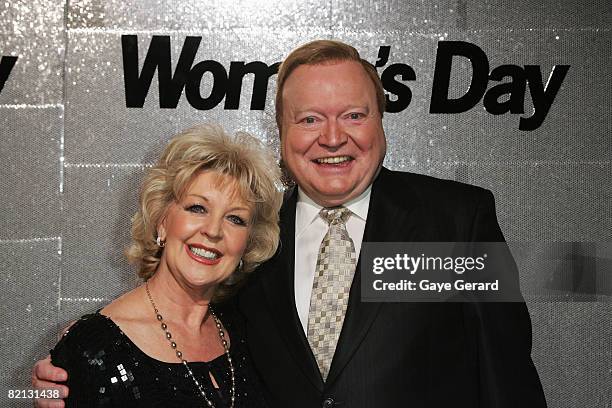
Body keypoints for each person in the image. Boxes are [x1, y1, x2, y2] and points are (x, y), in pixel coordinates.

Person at [34, 40, 547, 407]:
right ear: (282, 132)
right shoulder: (250, 236)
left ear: (381, 122)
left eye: (353, 115)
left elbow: (509, 380)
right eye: (308, 119)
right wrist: (66, 376)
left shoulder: (458, 219)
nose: (331, 138)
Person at [41, 124, 282, 407]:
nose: (214, 231)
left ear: (247, 244)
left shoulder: (246, 334)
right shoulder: (92, 348)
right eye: (197, 208)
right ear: (162, 221)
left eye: (235, 219)